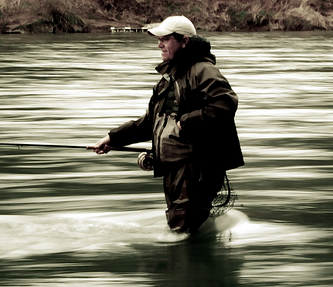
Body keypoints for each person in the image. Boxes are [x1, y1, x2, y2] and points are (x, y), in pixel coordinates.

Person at [93, 16, 244, 234]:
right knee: (181, 228)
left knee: (182, 229)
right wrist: (113, 138)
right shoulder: (169, 78)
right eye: (159, 39)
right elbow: (150, 123)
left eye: (165, 39)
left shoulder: (202, 70)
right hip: (176, 168)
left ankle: (186, 264)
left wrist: (185, 123)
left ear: (184, 41)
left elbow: (225, 104)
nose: (159, 44)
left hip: (195, 168)